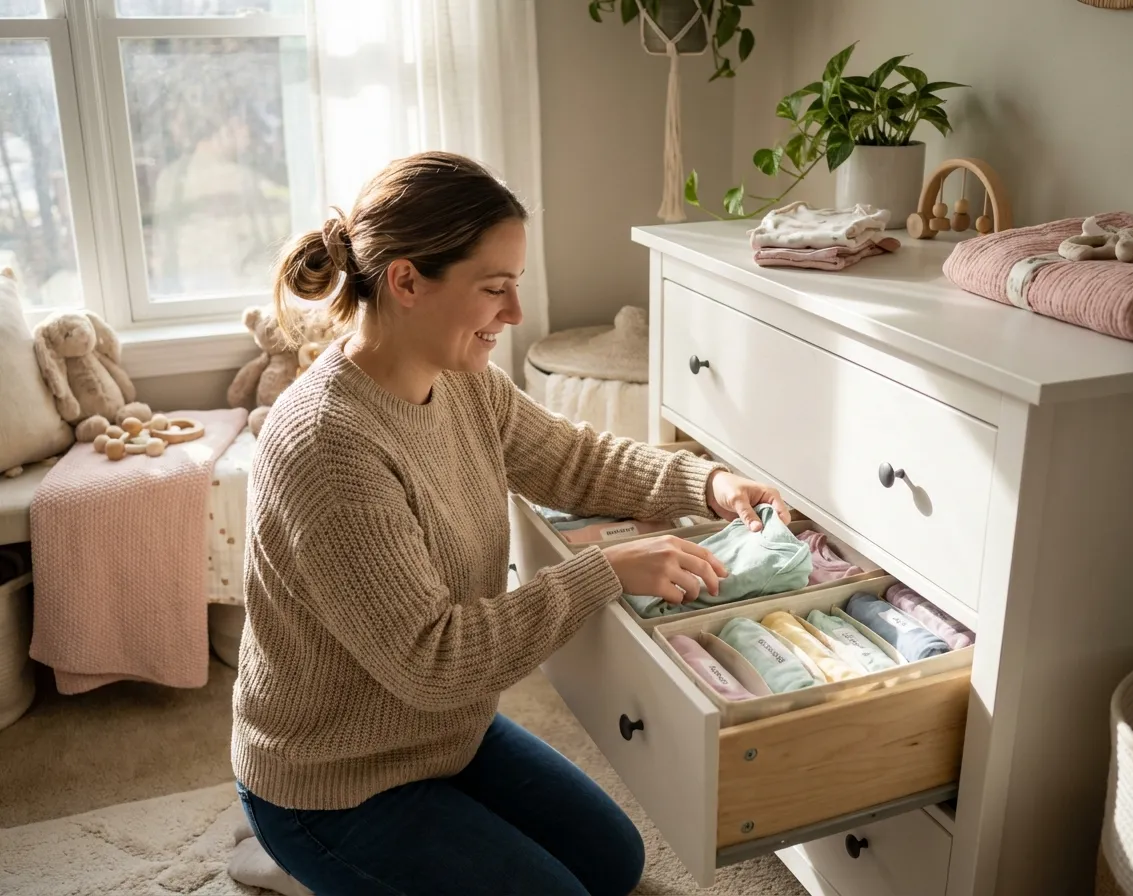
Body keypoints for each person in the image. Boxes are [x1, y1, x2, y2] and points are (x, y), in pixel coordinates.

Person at [232, 150, 790, 896]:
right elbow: (434, 663)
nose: (516, 314)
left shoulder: (464, 386)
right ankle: (287, 858)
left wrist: (707, 482)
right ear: (405, 281)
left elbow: (576, 460)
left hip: (443, 739)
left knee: (614, 862)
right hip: (333, 783)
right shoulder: (329, 446)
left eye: (515, 287)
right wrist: (602, 574)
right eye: (495, 289)